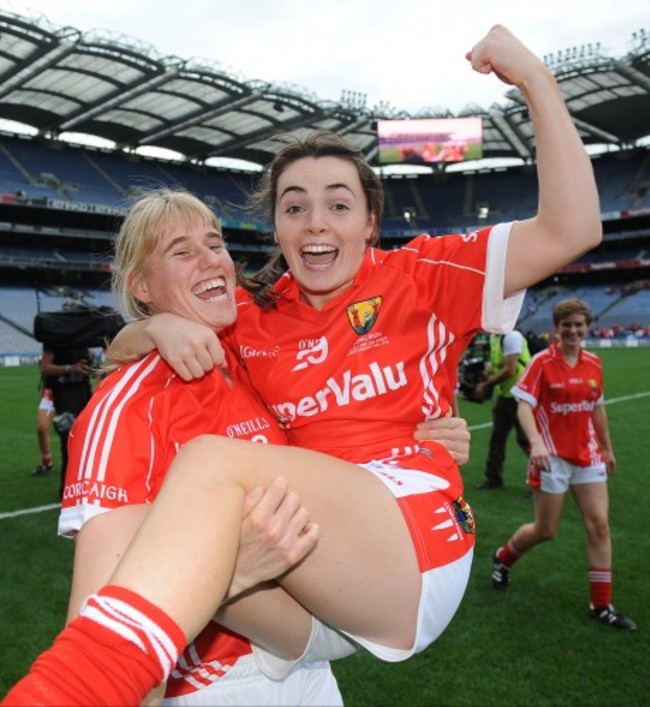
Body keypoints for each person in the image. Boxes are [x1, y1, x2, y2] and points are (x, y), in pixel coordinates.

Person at [4, 24, 603, 705]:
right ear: (277, 227)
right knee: (160, 539)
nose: (316, 223)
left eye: (338, 205)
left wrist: (534, 78)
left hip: (414, 545)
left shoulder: (423, 274)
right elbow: (132, 352)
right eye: (295, 207)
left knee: (209, 464)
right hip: (313, 604)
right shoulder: (253, 315)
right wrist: (154, 328)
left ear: (371, 221)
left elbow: (572, 228)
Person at [491, 298, 636, 630]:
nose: (573, 330)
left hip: (587, 457)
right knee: (546, 530)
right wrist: (537, 442)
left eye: (579, 324)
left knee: (599, 525)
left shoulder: (594, 363)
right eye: (566, 325)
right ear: (556, 328)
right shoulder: (542, 363)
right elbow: (524, 406)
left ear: (587, 327)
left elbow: (597, 409)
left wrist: (607, 448)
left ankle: (602, 605)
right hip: (551, 459)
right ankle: (503, 558)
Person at [475, 329, 531, 490]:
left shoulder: (512, 336)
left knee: (526, 440)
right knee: (497, 439)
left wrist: (486, 385)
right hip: (505, 395)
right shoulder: (495, 337)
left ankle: (543, 481)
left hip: (520, 396)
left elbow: (509, 370)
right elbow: (496, 364)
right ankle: (493, 478)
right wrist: (485, 374)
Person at [38, 338, 93, 496]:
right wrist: (69, 368)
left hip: (77, 393)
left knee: (79, 438)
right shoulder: (54, 336)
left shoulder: (83, 339)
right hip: (53, 394)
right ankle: (46, 460)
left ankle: (80, 479)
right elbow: (45, 368)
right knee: (43, 428)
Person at [32, 377, 54, 476]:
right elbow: (45, 370)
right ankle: (46, 461)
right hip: (50, 394)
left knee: (72, 431)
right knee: (41, 428)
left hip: (72, 392)